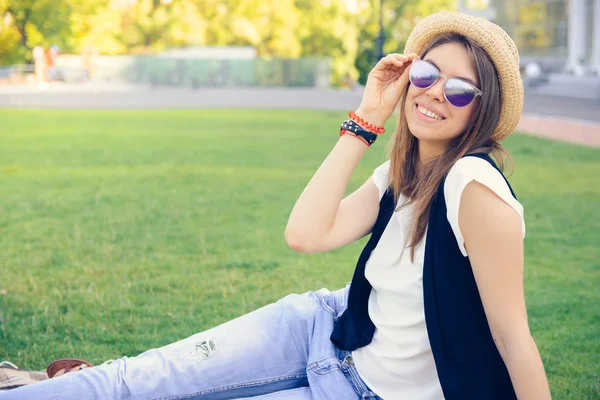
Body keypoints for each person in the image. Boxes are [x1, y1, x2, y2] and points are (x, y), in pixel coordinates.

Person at [0, 12, 551, 400]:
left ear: (481, 110)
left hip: (361, 390)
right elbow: (306, 234)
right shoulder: (402, 174)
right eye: (427, 76)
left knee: (149, 389)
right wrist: (366, 117)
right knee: (138, 382)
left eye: (459, 90)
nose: (434, 94)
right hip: (324, 328)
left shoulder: (473, 185)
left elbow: (512, 337)